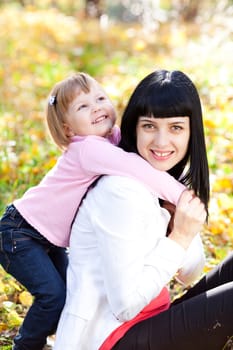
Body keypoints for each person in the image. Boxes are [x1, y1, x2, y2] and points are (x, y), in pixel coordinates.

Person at [0, 72, 186, 350]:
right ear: (68, 130)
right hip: (20, 233)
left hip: (44, 237)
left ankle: (55, 335)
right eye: (83, 107)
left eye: (100, 98)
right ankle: (26, 346)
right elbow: (137, 168)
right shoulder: (88, 150)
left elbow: (138, 154)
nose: (97, 107)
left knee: (69, 296)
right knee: (53, 296)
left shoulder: (108, 140)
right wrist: (183, 197)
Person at [53, 69, 233, 350]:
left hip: (147, 325)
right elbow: (126, 306)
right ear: (133, 128)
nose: (161, 142)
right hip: (110, 340)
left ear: (191, 133)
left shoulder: (160, 186)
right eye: (149, 126)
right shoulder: (119, 192)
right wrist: (180, 238)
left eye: (175, 127)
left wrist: (179, 226)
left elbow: (189, 275)